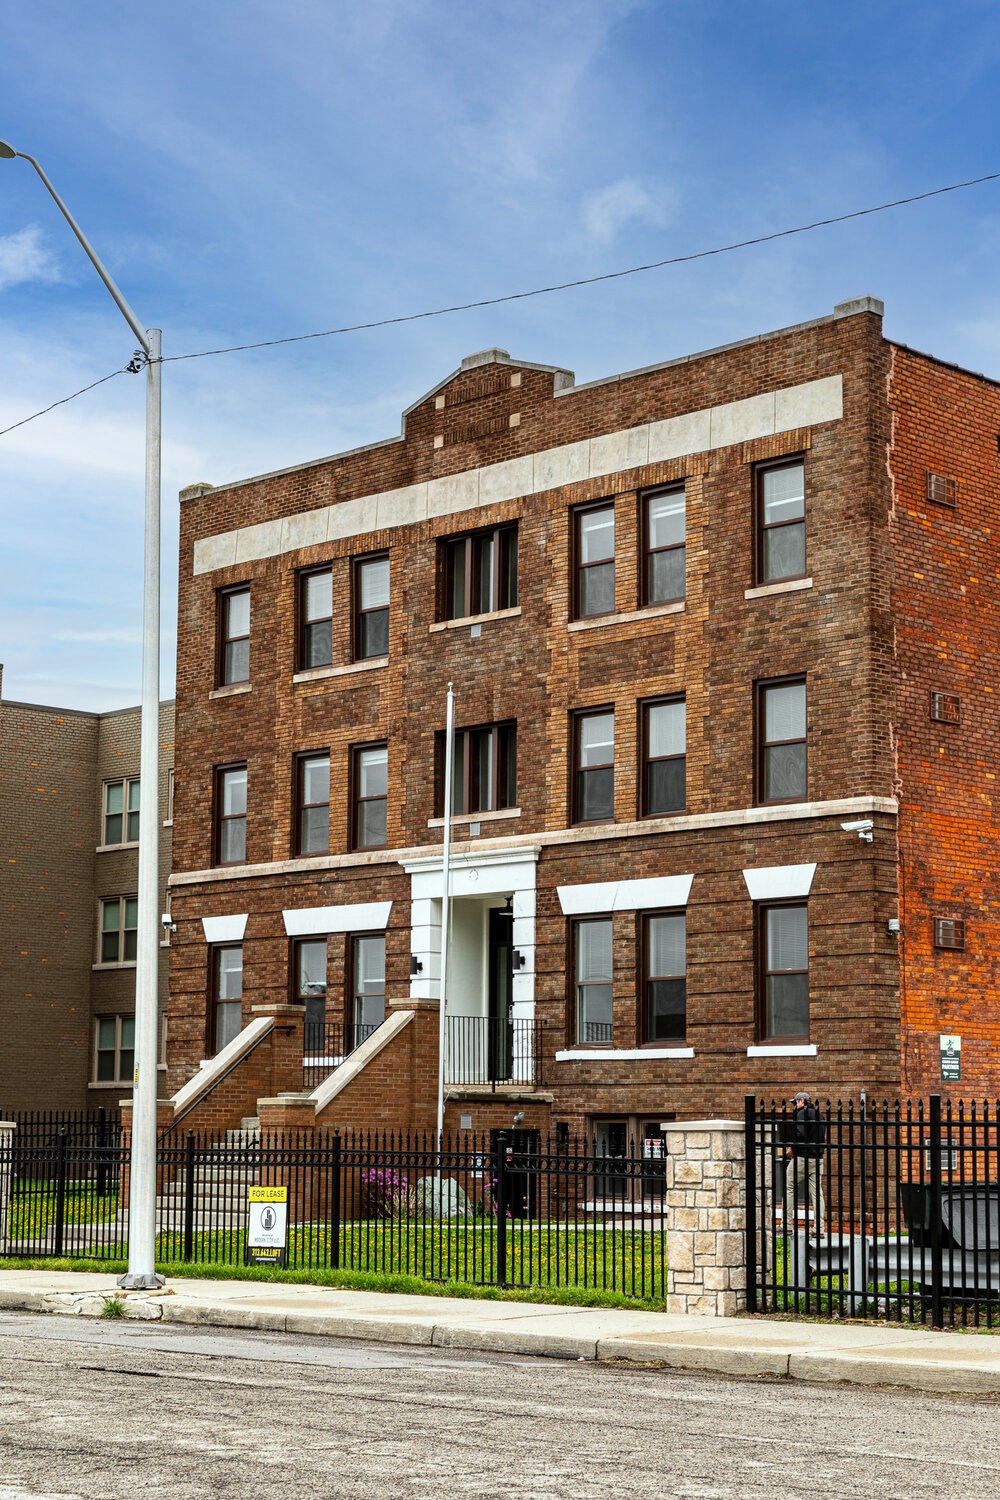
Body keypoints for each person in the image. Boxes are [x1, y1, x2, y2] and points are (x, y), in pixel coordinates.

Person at [783, 1090, 826, 1234]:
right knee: (817, 1193)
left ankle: (786, 1225)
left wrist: (792, 1150)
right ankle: (819, 1229)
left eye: (795, 1102)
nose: (794, 1105)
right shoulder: (820, 1116)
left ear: (802, 1101)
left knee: (789, 1187)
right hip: (818, 1159)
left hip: (802, 1158)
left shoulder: (802, 1113)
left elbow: (800, 1135)